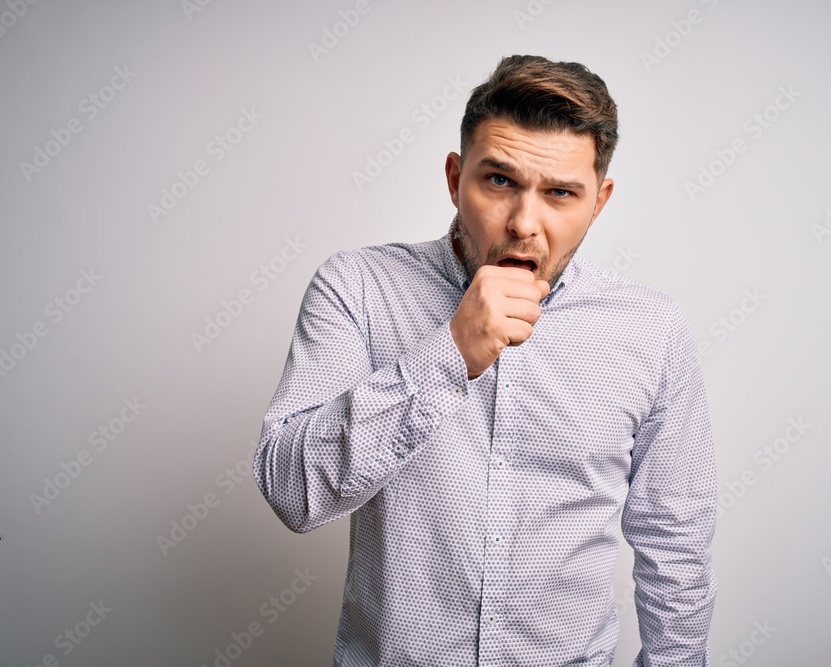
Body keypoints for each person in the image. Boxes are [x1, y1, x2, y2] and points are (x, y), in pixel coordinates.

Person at [254, 54, 717, 667]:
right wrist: (447, 355)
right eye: (499, 181)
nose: (525, 224)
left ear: (599, 201)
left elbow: (675, 545)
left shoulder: (651, 332)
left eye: (560, 194)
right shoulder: (358, 289)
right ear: (455, 177)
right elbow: (292, 492)